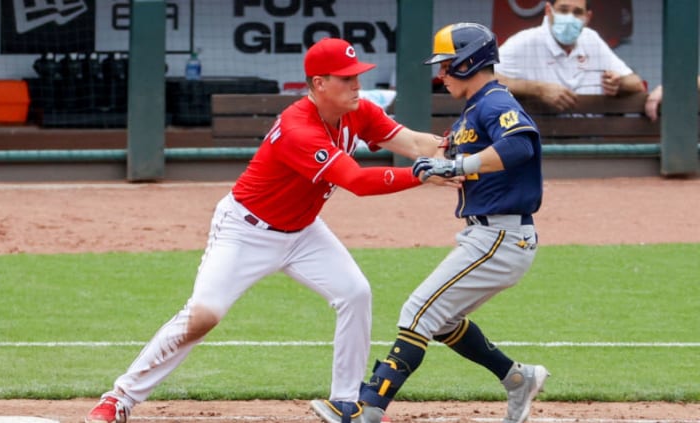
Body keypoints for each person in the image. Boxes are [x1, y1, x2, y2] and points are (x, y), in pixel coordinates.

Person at [84, 37, 451, 423]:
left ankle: (345, 403)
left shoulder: (359, 111)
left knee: (354, 293)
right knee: (204, 315)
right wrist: (423, 175)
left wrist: (455, 154)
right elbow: (357, 181)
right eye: (346, 78)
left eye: (357, 75)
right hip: (245, 231)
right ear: (319, 84)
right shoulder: (298, 128)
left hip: (304, 231)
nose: (357, 85)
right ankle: (119, 398)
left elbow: (412, 142)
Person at [310, 22, 549, 423]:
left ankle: (367, 407)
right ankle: (517, 378)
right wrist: (443, 159)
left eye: (446, 65)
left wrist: (460, 163)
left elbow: (521, 144)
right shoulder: (476, 107)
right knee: (442, 320)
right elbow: (444, 150)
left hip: (500, 236)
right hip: (491, 233)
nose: (440, 75)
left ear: (468, 62)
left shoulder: (493, 102)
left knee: (418, 311)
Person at [495, 0, 645, 112]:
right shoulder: (526, 42)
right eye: (563, 10)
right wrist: (538, 89)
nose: (569, 18)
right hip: (540, 141)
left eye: (577, 12)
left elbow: (635, 83)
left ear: (587, 17)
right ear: (548, 10)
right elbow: (484, 78)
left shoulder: (591, 39)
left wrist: (618, 83)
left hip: (590, 141)